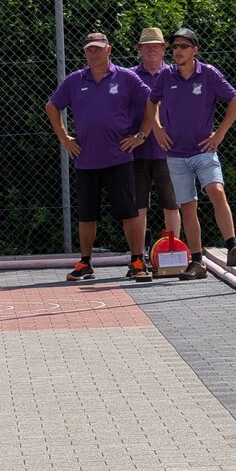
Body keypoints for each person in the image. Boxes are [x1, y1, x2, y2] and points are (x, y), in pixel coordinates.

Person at [141, 28, 236, 279]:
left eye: (183, 46)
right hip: (175, 154)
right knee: (188, 206)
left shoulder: (209, 73)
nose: (178, 51)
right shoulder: (166, 75)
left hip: (204, 151)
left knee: (217, 191)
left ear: (195, 50)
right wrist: (157, 129)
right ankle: (197, 262)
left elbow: (235, 100)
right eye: (175, 47)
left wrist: (219, 134)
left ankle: (234, 249)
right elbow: (151, 102)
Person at [45, 32, 153, 283]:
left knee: (129, 212)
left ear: (108, 50)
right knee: (86, 214)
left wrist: (142, 134)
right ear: (85, 53)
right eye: (89, 50)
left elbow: (152, 100)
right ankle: (85, 262)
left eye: (98, 49)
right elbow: (52, 106)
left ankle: (137, 260)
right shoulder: (75, 80)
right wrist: (64, 138)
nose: (93, 53)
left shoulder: (126, 77)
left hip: (119, 158)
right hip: (86, 160)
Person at [120, 27, 181, 276]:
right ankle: (139, 259)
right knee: (138, 207)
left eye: (156, 45)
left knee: (172, 204)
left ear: (165, 48)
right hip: (136, 152)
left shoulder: (177, 74)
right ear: (139, 50)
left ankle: (173, 256)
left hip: (170, 151)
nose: (151, 49)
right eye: (146, 46)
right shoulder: (129, 76)